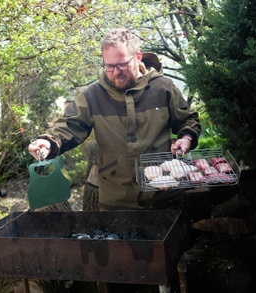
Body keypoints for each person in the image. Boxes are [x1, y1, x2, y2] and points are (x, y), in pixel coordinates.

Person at [29, 28, 201, 292]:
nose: (116, 71)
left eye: (122, 64)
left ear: (138, 57)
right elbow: (68, 127)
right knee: (121, 278)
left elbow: (188, 120)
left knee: (168, 273)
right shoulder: (92, 96)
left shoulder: (163, 88)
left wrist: (186, 138)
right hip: (116, 204)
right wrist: (48, 141)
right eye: (109, 66)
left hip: (164, 200)